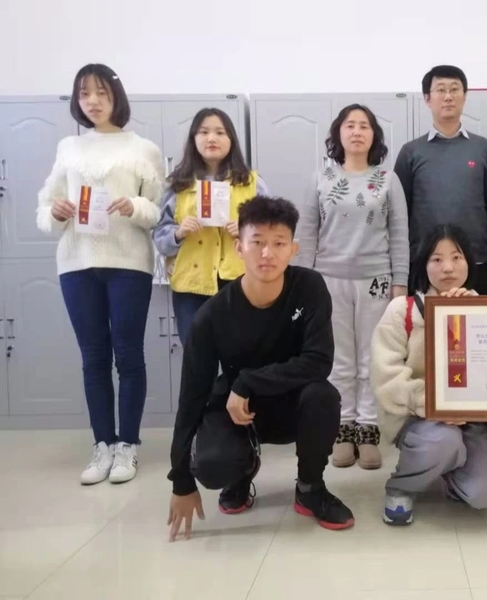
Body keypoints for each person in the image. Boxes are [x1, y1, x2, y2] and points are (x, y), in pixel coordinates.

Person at [166, 195, 354, 541]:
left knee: (323, 396)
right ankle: (242, 470)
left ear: (293, 249)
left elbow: (319, 361)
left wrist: (248, 381)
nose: (267, 253)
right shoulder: (212, 316)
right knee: (211, 465)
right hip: (237, 410)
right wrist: (181, 480)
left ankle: (310, 487)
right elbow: (191, 396)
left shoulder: (310, 288)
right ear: (239, 247)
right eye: (257, 242)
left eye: (279, 243)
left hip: (292, 403)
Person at [36, 64, 164, 485]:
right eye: (84, 93)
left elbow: (157, 210)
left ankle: (128, 445)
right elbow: (45, 207)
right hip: (76, 263)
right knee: (93, 358)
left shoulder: (143, 148)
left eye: (101, 93)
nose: (92, 101)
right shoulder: (69, 148)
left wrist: (134, 206)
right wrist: (55, 212)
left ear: (116, 97)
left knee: (128, 355)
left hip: (129, 263)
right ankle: (102, 445)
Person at [370, 224, 487, 526]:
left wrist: (467, 312)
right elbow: (387, 376)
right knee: (443, 441)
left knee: (483, 494)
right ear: (424, 265)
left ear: (469, 262)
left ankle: (448, 471)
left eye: (456, 257)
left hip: (471, 419)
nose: (448, 267)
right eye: (436, 259)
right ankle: (402, 487)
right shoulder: (402, 311)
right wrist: (435, 406)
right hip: (417, 415)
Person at [295, 104, 409, 471]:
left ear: (374, 135)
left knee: (371, 358)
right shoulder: (320, 178)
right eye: (350, 125)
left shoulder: (388, 179)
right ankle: (342, 427)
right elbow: (307, 234)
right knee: (339, 359)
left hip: (377, 281)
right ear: (338, 133)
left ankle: (369, 429)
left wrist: (400, 283)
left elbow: (400, 235)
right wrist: (302, 284)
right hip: (328, 280)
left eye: (364, 126)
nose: (357, 131)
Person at [153, 108, 270, 344]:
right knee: (196, 353)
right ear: (193, 138)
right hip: (190, 285)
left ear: (231, 139)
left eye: (220, 132)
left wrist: (248, 232)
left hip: (241, 283)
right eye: (204, 132)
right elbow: (161, 239)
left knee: (242, 352)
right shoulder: (178, 185)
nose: (211, 138)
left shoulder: (251, 183)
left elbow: (272, 234)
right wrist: (178, 233)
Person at [394, 65, 487, 295]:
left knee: (474, 317)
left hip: (473, 259)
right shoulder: (411, 152)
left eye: (454, 89)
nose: (448, 96)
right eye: (441, 90)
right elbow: (400, 211)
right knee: (423, 318)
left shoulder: (482, 148)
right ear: (427, 99)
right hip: (425, 262)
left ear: (465, 96)